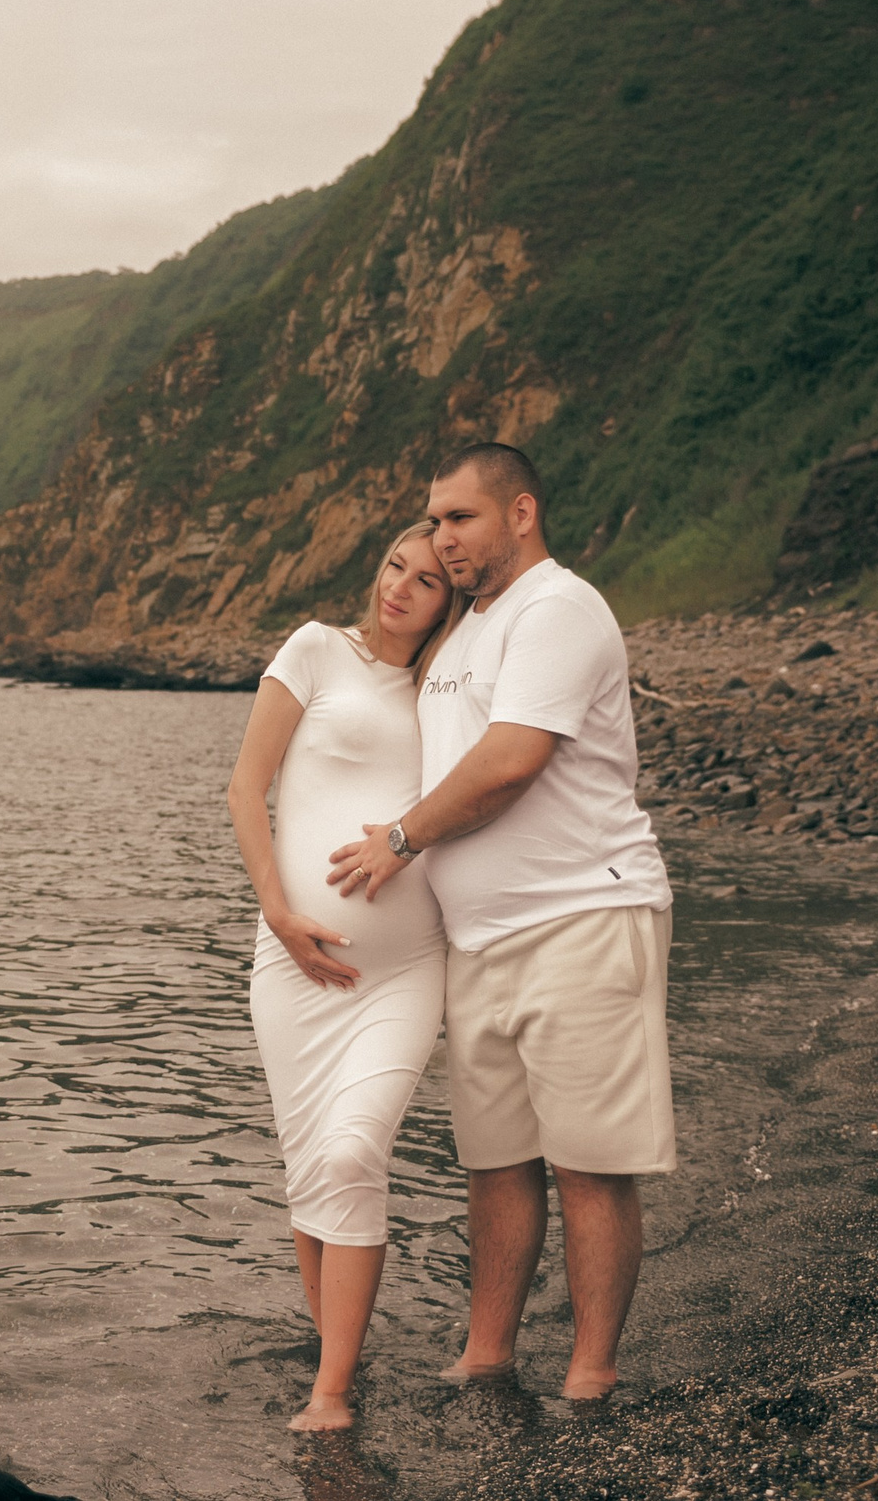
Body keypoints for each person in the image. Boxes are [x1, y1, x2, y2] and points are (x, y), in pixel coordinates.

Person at [329, 443, 674, 1400]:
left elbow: (512, 759)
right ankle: (488, 1355)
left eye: (459, 519)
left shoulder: (557, 608)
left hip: (581, 918)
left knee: (590, 1167)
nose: (441, 538)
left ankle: (592, 1373)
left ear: (520, 512)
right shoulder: (470, 629)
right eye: (433, 521)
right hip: (480, 942)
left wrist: (397, 841)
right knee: (496, 1163)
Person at [226, 521, 456, 1432]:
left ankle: (330, 1394)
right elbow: (248, 787)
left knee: (354, 1150)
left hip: (406, 969)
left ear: (452, 600)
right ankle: (337, 1356)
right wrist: (280, 913)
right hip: (293, 970)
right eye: (395, 566)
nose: (399, 587)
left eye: (428, 580)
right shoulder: (316, 650)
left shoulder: (447, 686)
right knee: (311, 1172)